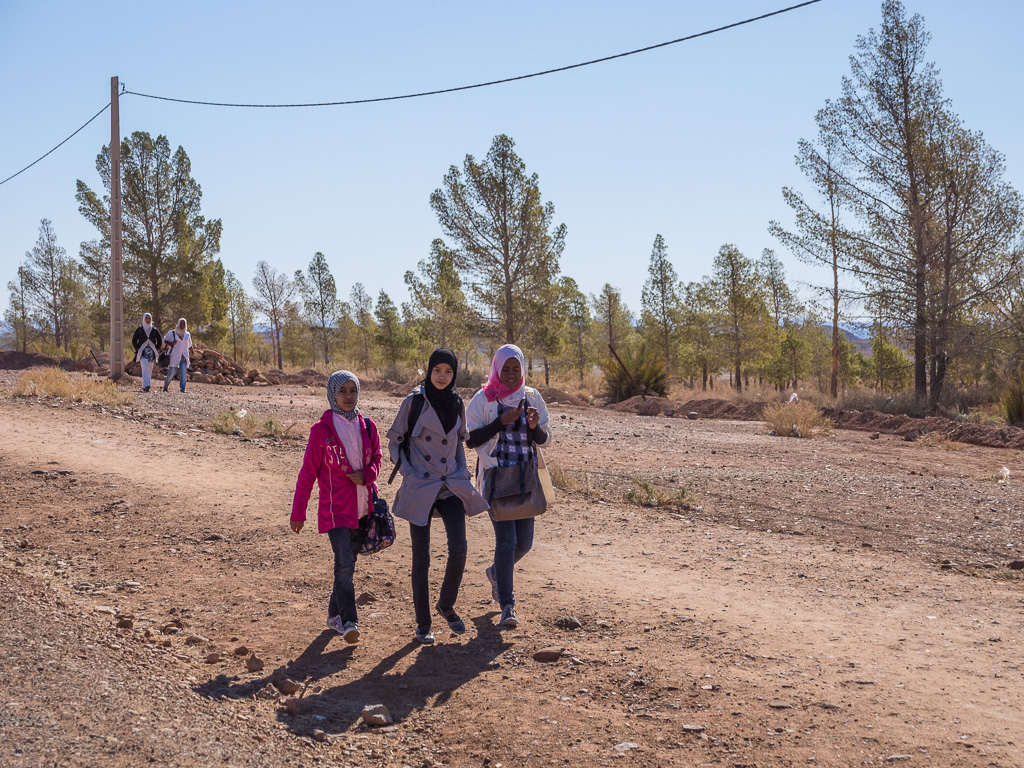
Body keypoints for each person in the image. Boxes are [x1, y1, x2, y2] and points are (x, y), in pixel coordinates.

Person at [388, 349, 489, 645]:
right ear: (429, 371)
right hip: (420, 485)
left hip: (450, 486)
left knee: (459, 547)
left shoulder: (458, 402)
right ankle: (423, 624)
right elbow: (395, 440)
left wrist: (462, 472)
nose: (442, 376)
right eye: (437, 370)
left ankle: (446, 604)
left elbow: (458, 442)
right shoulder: (414, 402)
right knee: (422, 558)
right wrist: (408, 472)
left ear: (454, 374)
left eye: (448, 371)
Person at [291, 371, 382, 644]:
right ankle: (349, 621)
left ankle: (333, 616)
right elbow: (307, 474)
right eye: (342, 391)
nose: (348, 396)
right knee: (344, 564)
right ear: (332, 394)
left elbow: (377, 458)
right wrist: (299, 513)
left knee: (348, 564)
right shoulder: (321, 432)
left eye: (352, 390)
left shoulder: (368, 426)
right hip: (335, 510)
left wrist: (367, 475)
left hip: (364, 508)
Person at [466, 344, 552, 629]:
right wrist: (501, 422)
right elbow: (470, 440)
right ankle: (508, 605)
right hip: (496, 480)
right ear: (497, 369)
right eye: (507, 369)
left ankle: (495, 573)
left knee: (524, 543)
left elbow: (545, 439)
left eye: (516, 368)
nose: (512, 374)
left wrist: (534, 427)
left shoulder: (532, 397)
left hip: (526, 479)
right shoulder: (483, 399)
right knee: (507, 542)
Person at [131, 313, 162, 392]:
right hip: (142, 352)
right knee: (144, 367)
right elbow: (134, 340)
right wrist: (138, 348)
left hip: (152, 353)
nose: (148, 320)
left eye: (149, 318)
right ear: (144, 319)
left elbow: (160, 340)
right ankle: (148, 385)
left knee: (149, 369)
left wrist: (156, 348)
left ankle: (144, 386)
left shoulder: (154, 330)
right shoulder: (139, 330)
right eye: (146, 318)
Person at [162, 318, 193, 392]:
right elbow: (164, 340)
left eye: (184, 324)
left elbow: (190, 344)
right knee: (172, 371)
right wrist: (171, 343)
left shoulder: (187, 334)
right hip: (174, 355)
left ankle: (183, 389)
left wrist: (192, 351)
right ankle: (166, 386)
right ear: (178, 324)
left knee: (183, 372)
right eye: (181, 323)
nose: (182, 325)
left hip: (184, 355)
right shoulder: (172, 333)